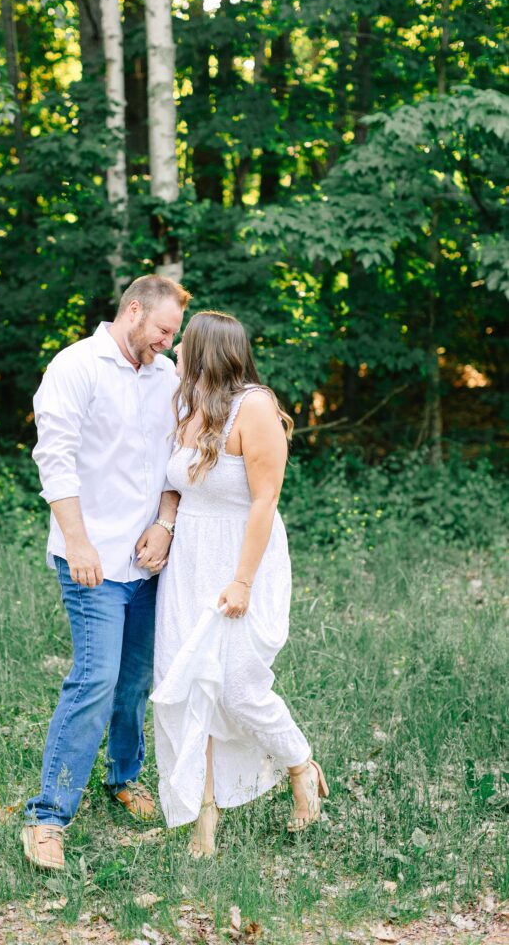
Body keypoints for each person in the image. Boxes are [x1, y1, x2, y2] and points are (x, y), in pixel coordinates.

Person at [22, 275, 190, 871]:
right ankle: (48, 816)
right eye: (163, 331)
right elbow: (55, 460)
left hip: (148, 560)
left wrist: (166, 524)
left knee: (135, 678)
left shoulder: (167, 377)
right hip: (89, 556)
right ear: (134, 311)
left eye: (174, 335)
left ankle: (124, 777)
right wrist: (77, 542)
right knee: (95, 678)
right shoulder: (76, 366)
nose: (168, 344)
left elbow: (179, 463)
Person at [151, 310, 328, 857]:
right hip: (188, 562)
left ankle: (299, 762)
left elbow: (264, 499)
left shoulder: (255, 407)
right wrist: (165, 523)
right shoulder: (186, 404)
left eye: (183, 344)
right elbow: (174, 484)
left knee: (237, 685)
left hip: (244, 557)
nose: (175, 350)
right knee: (186, 687)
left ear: (206, 351)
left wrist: (243, 581)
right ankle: (203, 816)